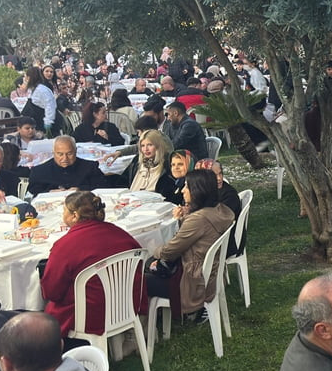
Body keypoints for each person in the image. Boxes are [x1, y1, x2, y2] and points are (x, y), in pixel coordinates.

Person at [40, 191, 143, 341]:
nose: (63, 214)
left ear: (74, 215)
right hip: (124, 306)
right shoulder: (120, 234)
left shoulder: (65, 245)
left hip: (89, 315)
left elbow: (51, 292)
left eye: (64, 210)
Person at [145, 169, 234, 319]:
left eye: (186, 186)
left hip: (193, 282)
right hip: (210, 273)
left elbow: (169, 251)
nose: (183, 190)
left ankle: (143, 326)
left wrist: (154, 251)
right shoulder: (219, 210)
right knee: (152, 264)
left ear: (197, 191)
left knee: (140, 278)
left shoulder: (198, 219)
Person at [27, 135, 107, 195]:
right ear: (53, 152)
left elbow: (103, 186)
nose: (65, 158)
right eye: (60, 154)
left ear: (75, 151)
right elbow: (33, 190)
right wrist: (50, 192)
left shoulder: (90, 167)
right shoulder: (39, 171)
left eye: (69, 154)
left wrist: (81, 190)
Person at [129, 128, 177, 198]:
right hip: (132, 199)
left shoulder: (168, 164)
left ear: (158, 146)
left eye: (150, 145)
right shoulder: (136, 161)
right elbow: (123, 182)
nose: (146, 149)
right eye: (142, 146)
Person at [22, 66, 58, 135]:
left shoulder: (41, 90)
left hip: (44, 122)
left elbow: (50, 106)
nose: (25, 79)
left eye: (26, 77)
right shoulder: (33, 89)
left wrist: (48, 122)